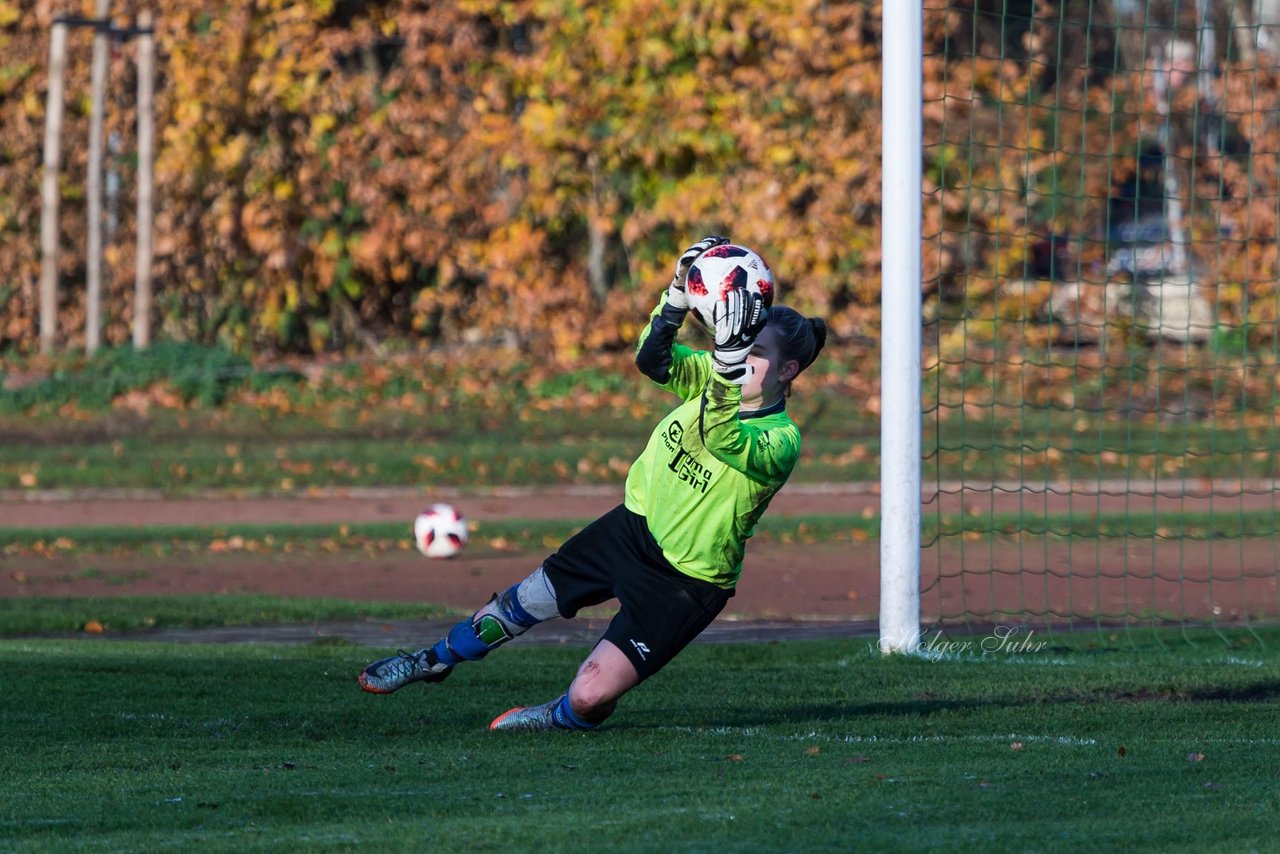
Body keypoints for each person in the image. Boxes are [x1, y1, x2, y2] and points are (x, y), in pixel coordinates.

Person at [357, 236, 827, 732]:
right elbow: (652, 360)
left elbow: (721, 434)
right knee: (521, 603)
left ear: (788, 369)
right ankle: (432, 660)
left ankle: (557, 716)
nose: (737, 355)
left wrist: (727, 364)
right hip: (629, 530)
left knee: (589, 697)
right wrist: (675, 297)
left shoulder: (782, 438)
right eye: (739, 342)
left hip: (686, 583)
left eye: (755, 351)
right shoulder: (715, 374)